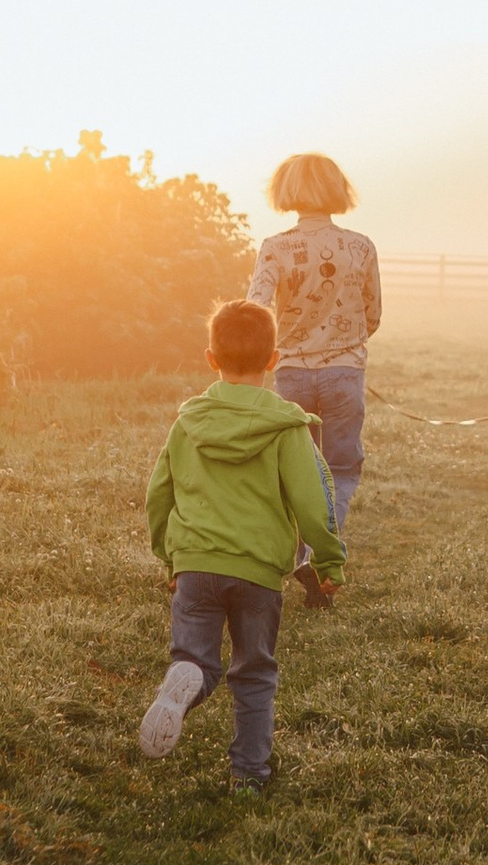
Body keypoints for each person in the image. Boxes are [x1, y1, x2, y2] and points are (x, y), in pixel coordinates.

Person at [139, 298, 345, 789]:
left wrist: (169, 556)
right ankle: (249, 776)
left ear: (211, 358)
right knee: (253, 673)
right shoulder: (287, 426)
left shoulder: (189, 421)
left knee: (196, 660)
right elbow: (312, 500)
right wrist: (329, 559)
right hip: (257, 573)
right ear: (275, 360)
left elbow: (158, 493)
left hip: (195, 564)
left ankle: (183, 683)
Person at [246, 151, 379, 603]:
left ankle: (300, 558)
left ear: (285, 191)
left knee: (296, 471)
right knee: (340, 469)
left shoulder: (275, 247)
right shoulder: (360, 246)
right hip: (344, 372)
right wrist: (348, 346)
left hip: (292, 375)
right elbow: (373, 312)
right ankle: (323, 563)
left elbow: (256, 311)